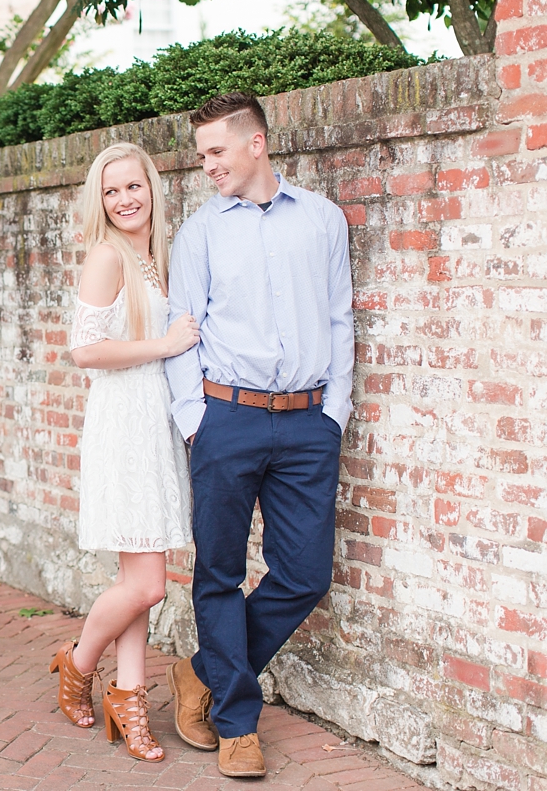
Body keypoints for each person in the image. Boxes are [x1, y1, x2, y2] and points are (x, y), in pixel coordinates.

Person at [164, 92, 353, 778]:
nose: (207, 164)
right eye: (201, 154)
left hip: (308, 421)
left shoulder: (323, 221)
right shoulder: (200, 233)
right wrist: (196, 421)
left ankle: (202, 671)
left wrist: (335, 411)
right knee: (218, 571)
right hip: (227, 418)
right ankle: (237, 722)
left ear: (257, 143)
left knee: (304, 574)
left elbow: (339, 319)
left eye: (216, 151)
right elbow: (181, 331)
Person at [50, 142, 200, 763]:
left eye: (132, 187)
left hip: (155, 423)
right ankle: (78, 663)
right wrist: (163, 346)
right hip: (124, 424)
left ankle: (130, 698)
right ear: (100, 201)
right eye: (111, 191)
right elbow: (84, 352)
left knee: (138, 579)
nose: (124, 199)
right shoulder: (109, 257)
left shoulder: (155, 256)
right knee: (149, 585)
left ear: (152, 188)